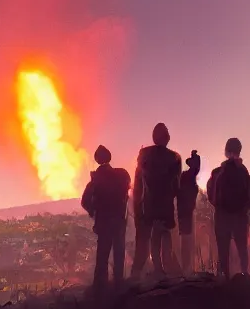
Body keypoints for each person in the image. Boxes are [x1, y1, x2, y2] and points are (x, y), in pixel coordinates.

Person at [131, 123, 182, 278]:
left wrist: (138, 206)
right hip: (165, 202)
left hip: (150, 202)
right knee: (164, 233)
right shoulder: (174, 157)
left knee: (154, 234)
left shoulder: (144, 154)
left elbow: (138, 183)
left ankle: (158, 268)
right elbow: (176, 185)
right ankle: (166, 267)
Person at [81, 145, 131, 291]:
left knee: (102, 255)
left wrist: (93, 212)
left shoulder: (95, 180)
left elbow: (85, 201)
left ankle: (100, 286)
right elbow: (127, 191)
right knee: (119, 252)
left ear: (97, 160)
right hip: (119, 221)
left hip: (103, 223)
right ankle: (118, 283)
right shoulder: (122, 174)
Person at [206, 138, 250, 277]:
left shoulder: (217, 172)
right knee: (242, 248)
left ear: (226, 151)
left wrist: (220, 207)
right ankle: (244, 274)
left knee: (223, 251)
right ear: (239, 151)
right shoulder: (245, 174)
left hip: (222, 216)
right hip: (240, 217)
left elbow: (211, 195)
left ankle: (223, 278)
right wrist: (243, 209)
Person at [177, 150, 201, 274]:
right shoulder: (188, 177)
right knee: (186, 239)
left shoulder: (185, 176)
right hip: (185, 211)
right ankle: (186, 267)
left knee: (185, 238)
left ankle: (186, 267)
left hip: (184, 211)